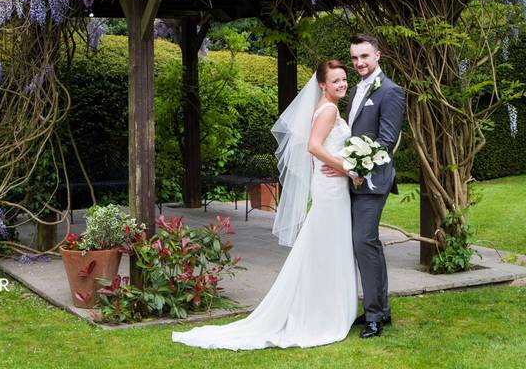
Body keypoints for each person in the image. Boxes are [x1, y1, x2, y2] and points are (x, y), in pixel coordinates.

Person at [172, 60, 358, 349]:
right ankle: (323, 312)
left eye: (344, 79)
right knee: (327, 246)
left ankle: (323, 306)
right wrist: (347, 168)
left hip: (330, 187)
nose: (342, 84)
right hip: (331, 188)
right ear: (322, 84)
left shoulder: (324, 107)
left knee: (324, 246)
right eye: (336, 80)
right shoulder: (330, 109)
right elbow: (313, 146)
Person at [321, 32, 406, 338]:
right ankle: (380, 309)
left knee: (363, 242)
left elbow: (385, 142)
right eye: (354, 57)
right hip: (353, 181)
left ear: (377, 56)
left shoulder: (391, 92)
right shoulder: (355, 89)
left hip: (372, 181)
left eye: (364, 56)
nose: (359, 63)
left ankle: (374, 316)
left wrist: (349, 169)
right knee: (367, 245)